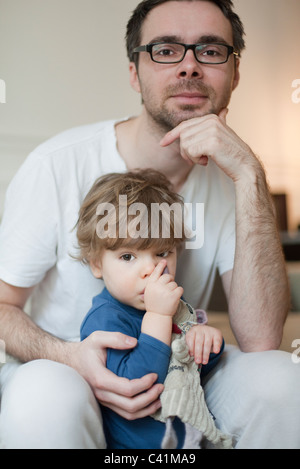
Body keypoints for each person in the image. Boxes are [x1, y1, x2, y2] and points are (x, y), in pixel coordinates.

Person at [0, 0, 298, 449]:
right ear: (135, 73)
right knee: (44, 394)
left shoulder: (232, 178)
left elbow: (260, 339)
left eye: (212, 51)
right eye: (165, 50)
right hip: (63, 371)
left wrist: (250, 174)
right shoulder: (57, 165)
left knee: (281, 379)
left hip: (172, 369)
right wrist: (68, 357)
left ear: (234, 74)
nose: (190, 67)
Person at [77, 169, 228, 449]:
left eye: (162, 253)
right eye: (127, 256)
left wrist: (205, 342)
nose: (150, 269)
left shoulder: (172, 307)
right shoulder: (106, 320)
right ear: (97, 264)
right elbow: (136, 383)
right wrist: (158, 316)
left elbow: (190, 372)